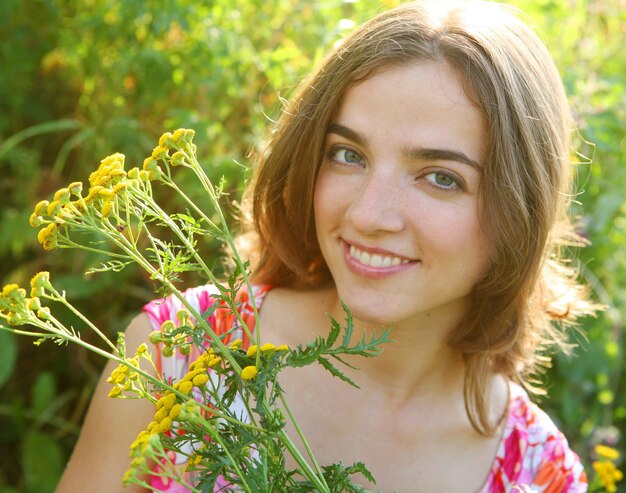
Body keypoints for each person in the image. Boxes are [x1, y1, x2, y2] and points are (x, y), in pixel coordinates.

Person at [56, 1, 598, 491]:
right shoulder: (178, 356)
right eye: (348, 155)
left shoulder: (538, 474)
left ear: (519, 214)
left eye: (440, 177)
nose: (367, 214)